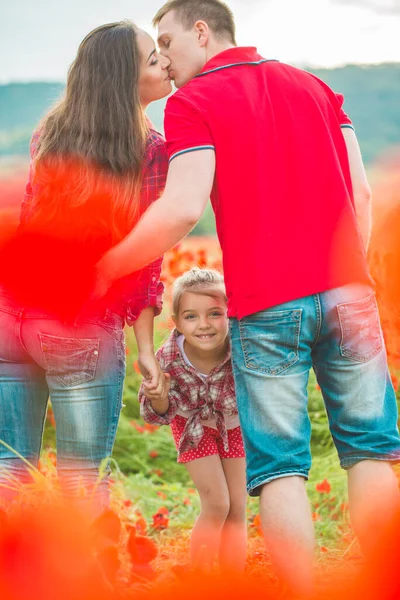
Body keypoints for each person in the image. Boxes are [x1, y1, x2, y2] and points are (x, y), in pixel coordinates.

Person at [94, 0, 400, 593]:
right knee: (371, 453)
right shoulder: (316, 87)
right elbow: (361, 198)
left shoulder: (193, 102)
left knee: (281, 468)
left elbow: (182, 208)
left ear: (202, 32)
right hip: (350, 294)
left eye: (168, 41)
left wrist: (108, 265)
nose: (162, 59)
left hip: (267, 305)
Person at [0, 20, 172, 513]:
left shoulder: (49, 133)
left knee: (9, 470)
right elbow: (145, 259)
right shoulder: (152, 151)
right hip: (78, 323)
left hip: (11, 316)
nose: (163, 63)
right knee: (79, 484)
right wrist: (145, 349)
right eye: (152, 58)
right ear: (125, 79)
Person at [139, 268, 247, 573]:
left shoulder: (240, 347)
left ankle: (232, 582)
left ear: (230, 313)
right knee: (217, 504)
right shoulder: (168, 357)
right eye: (191, 316)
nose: (204, 325)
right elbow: (159, 410)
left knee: (237, 506)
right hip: (192, 426)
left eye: (215, 313)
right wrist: (157, 392)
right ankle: (199, 580)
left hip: (233, 422)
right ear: (176, 321)